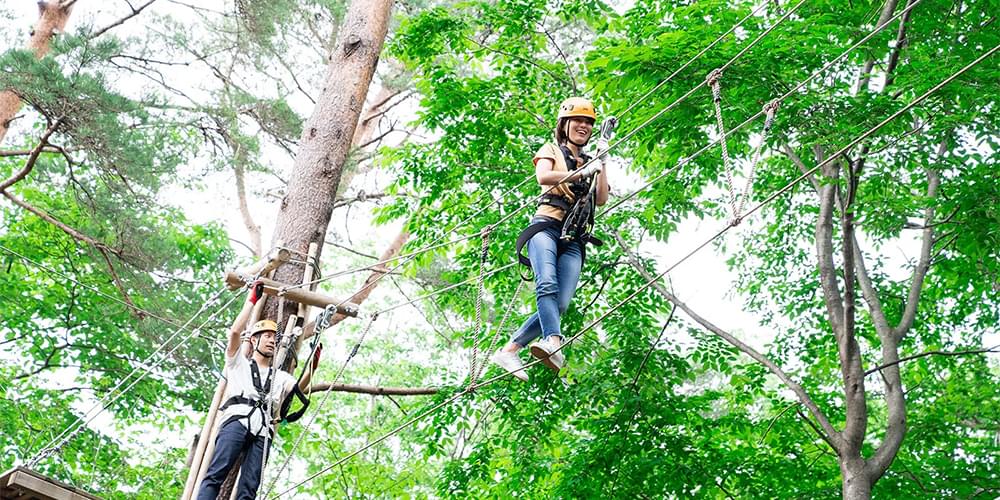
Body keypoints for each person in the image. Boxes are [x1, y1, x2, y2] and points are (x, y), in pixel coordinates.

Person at [491, 97, 610, 380]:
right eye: (578, 121)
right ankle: (553, 342)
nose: (583, 126)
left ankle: (509, 350)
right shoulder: (551, 149)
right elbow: (543, 177)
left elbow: (601, 198)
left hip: (575, 237)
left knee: (561, 304)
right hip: (546, 227)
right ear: (565, 125)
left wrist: (602, 162)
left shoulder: (591, 161)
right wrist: (580, 172)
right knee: (546, 283)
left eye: (588, 122)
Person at [197, 284, 317, 499]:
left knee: (249, 488)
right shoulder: (238, 364)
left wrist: (312, 366)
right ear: (254, 340)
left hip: (263, 430)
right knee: (216, 474)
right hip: (238, 420)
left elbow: (300, 389)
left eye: (274, 337)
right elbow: (234, 332)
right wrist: (250, 301)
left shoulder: (280, 377)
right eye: (267, 336)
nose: (272, 340)